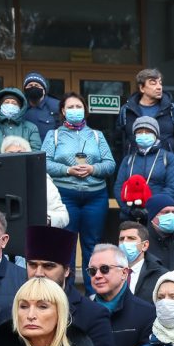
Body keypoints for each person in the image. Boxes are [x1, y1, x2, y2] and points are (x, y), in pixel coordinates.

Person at [23, 225, 118, 346]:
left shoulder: (92, 315)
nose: (38, 273)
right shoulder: (15, 310)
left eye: (48, 266)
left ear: (67, 270)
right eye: (32, 265)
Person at [41, 92, 116, 287]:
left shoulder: (96, 136)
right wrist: (67, 170)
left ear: (85, 110)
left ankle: (95, 290)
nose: (75, 110)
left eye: (79, 107)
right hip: (66, 196)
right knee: (67, 246)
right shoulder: (54, 135)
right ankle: (67, 292)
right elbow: (43, 163)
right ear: (63, 111)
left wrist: (93, 168)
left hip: (95, 197)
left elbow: (110, 164)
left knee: (92, 245)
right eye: (71, 107)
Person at [114, 115, 174, 219]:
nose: (143, 135)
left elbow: (173, 187)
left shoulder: (168, 157)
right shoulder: (128, 159)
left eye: (148, 132)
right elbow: (119, 187)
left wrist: (153, 208)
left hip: (158, 216)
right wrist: (129, 210)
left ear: (156, 135)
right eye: (139, 132)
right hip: (130, 216)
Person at [115, 68, 174, 160]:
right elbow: (118, 142)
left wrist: (172, 159)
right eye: (153, 83)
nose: (159, 87)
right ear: (142, 88)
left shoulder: (172, 109)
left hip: (164, 165)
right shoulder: (127, 110)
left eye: (160, 83)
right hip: (134, 164)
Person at [0, 136, 70, 228]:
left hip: (35, 233)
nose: (16, 158)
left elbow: (63, 216)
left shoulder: (43, 181)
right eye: (10, 154)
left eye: (20, 154)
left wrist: (45, 218)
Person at [0, 88, 42, 156]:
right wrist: (3, 160)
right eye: (6, 102)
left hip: (24, 165)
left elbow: (36, 151)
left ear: (20, 108)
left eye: (14, 103)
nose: (10, 105)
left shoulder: (31, 128)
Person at [118, 221, 167, 303]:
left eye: (131, 238)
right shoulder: (108, 271)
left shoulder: (160, 276)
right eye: (121, 239)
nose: (124, 242)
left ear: (144, 245)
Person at [21, 72, 62, 143]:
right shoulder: (20, 107)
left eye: (37, 85)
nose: (33, 87)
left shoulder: (56, 105)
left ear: (44, 90)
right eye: (30, 85)